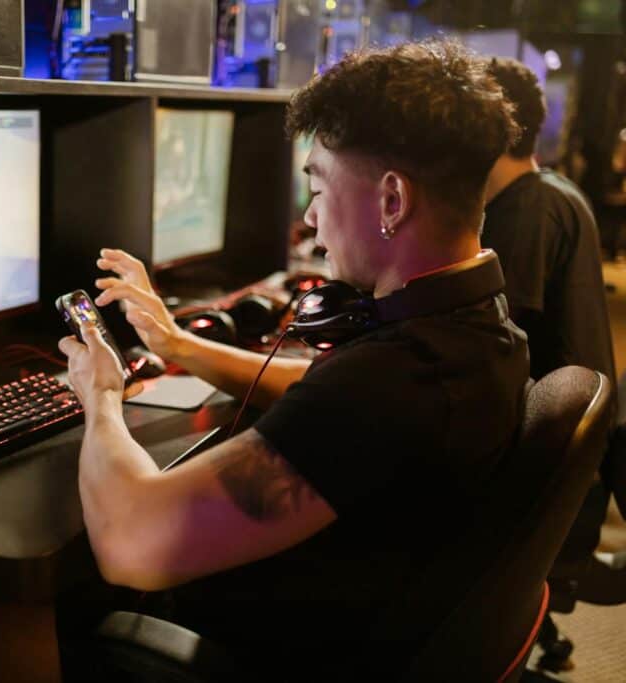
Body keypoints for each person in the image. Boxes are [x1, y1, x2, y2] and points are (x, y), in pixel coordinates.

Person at [58, 40, 528, 678]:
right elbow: (319, 389)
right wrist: (176, 342)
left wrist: (101, 395)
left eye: (319, 186)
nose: (310, 218)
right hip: (358, 619)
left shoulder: (390, 383)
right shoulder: (474, 330)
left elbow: (130, 543)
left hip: (264, 651)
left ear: (392, 201)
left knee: (30, 598)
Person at [482, 56, 619, 665]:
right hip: (573, 468)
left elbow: (499, 351)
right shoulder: (554, 190)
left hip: (538, 474)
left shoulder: (524, 214)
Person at [482, 57, 616, 387]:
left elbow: (491, 341)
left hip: (548, 428)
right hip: (576, 418)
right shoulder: (553, 191)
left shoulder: (527, 210)